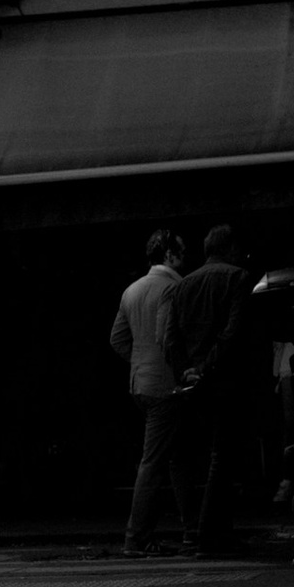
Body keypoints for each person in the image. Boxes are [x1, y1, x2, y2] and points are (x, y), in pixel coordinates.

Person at [164, 223, 255, 556]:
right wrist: (205, 368)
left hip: (192, 382)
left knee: (194, 456)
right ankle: (210, 533)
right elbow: (233, 332)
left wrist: (186, 371)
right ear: (230, 248)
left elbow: (171, 337)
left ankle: (204, 530)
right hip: (223, 378)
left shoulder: (184, 284)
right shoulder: (238, 277)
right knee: (223, 457)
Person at [109, 226, 189, 554]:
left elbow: (117, 339)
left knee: (174, 456)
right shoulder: (174, 287)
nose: (185, 256)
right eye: (181, 251)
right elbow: (167, 337)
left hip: (139, 383)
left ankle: (192, 528)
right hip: (166, 385)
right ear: (169, 255)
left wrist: (140, 360)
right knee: (156, 461)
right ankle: (137, 537)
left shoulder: (131, 290)